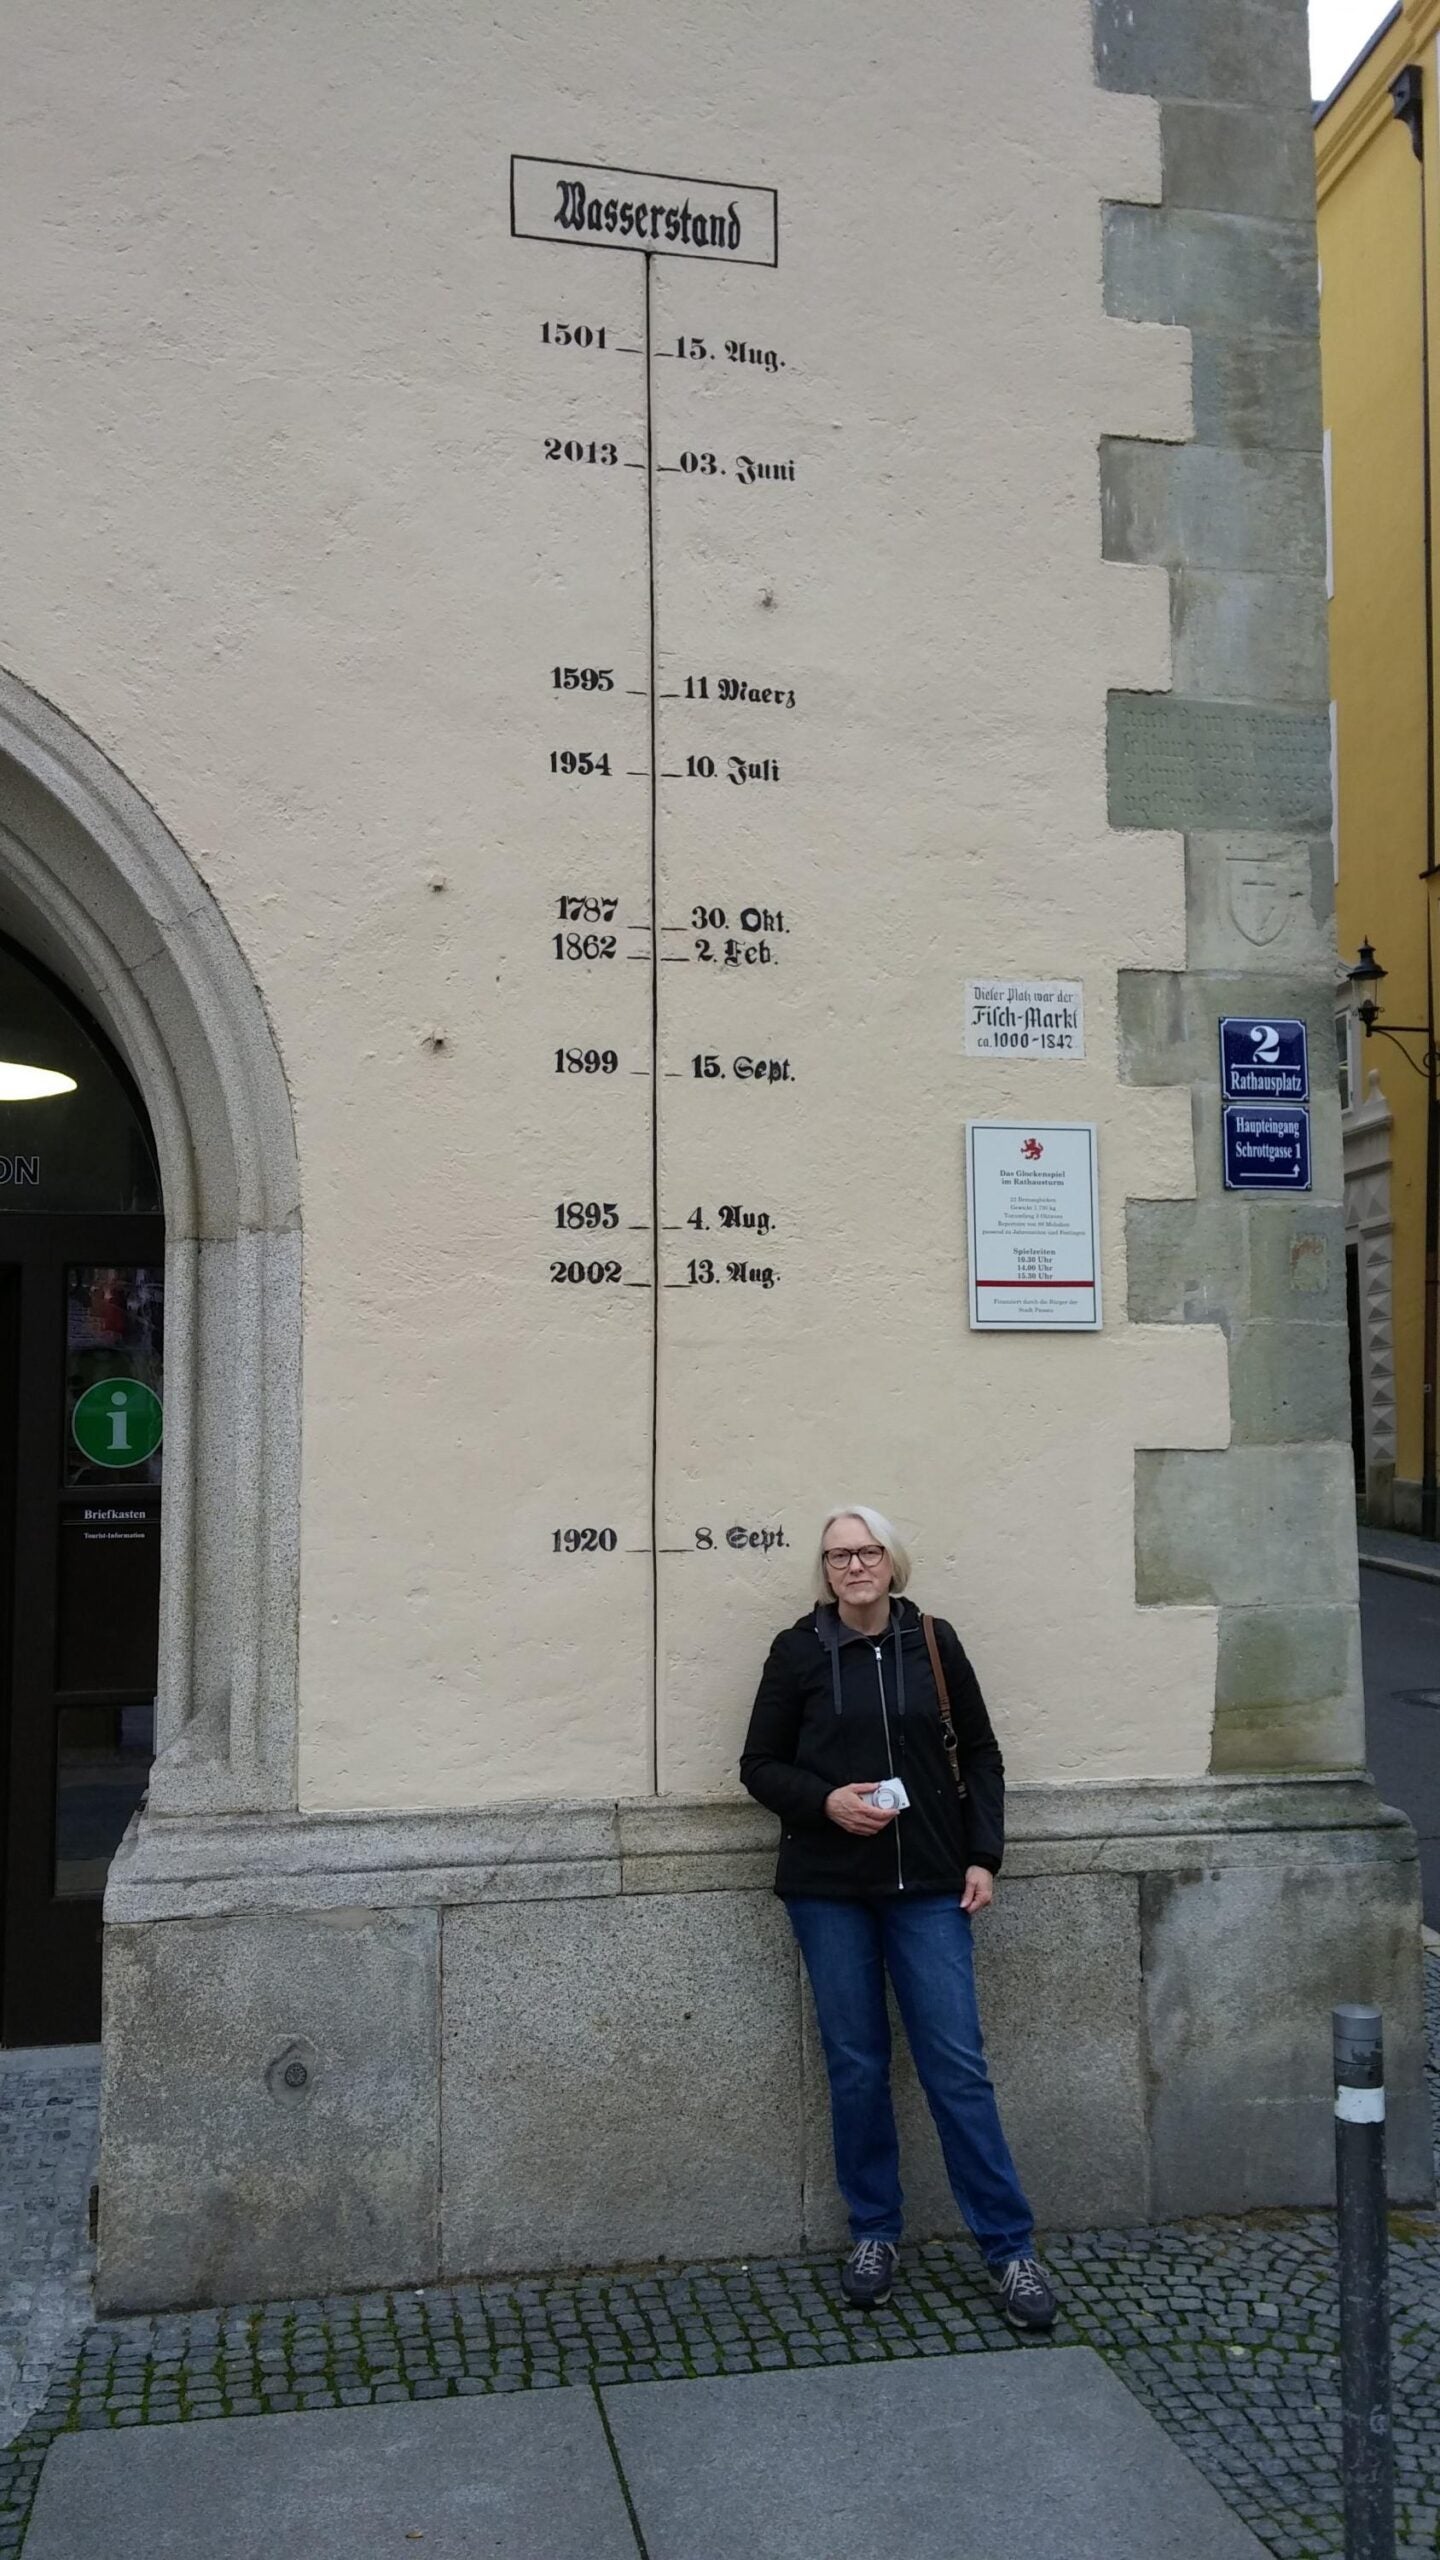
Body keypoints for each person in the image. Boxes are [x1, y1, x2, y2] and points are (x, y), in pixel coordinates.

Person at [739, 1505, 1056, 2330]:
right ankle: (874, 2232)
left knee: (956, 2064)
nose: (854, 1566)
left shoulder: (935, 1644)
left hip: (928, 1888)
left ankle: (1010, 2249)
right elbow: (759, 1765)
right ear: (825, 1570)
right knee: (856, 2066)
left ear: (892, 1561)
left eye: (868, 1551)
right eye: (839, 1555)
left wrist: (984, 1855)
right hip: (829, 1888)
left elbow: (981, 1753)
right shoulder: (797, 1651)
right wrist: (825, 1801)